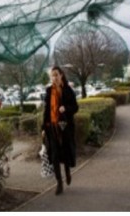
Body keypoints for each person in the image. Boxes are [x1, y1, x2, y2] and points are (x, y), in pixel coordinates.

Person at [41, 66, 79, 195]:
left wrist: (66, 109)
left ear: (61, 75)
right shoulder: (49, 91)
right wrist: (43, 128)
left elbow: (75, 107)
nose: (54, 77)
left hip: (65, 126)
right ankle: (59, 183)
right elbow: (46, 111)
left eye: (56, 75)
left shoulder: (67, 90)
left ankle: (67, 172)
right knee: (55, 155)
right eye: (52, 75)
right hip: (52, 126)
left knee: (66, 152)